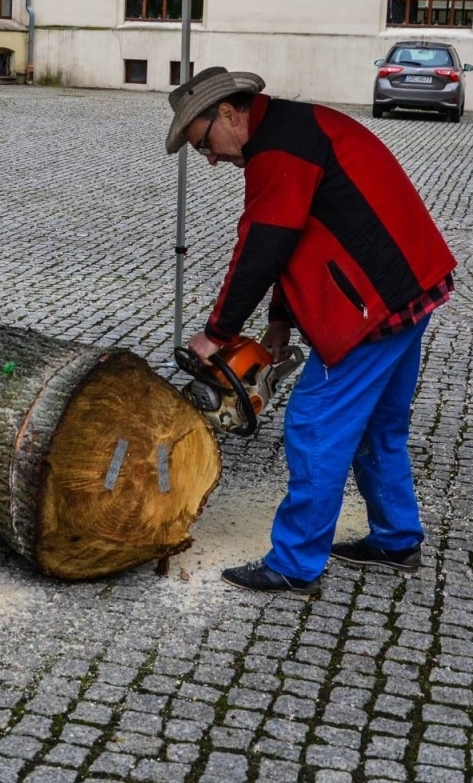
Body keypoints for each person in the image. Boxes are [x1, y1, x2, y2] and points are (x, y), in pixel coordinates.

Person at [165, 66, 456, 595]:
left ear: (228, 113)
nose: (209, 159)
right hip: (410, 285)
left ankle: (296, 564)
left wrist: (217, 331)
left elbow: (263, 244)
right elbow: (301, 235)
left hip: (373, 302)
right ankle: (395, 539)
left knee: (314, 425)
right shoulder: (292, 131)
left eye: (204, 142)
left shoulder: (279, 150)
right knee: (378, 425)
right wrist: (280, 319)